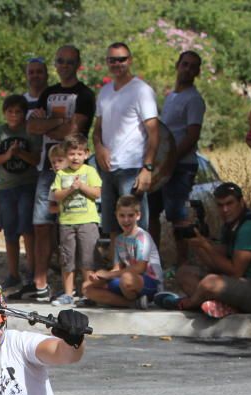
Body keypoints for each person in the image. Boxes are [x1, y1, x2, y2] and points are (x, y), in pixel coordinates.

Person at [27, 45, 96, 303]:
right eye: (60, 61)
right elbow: (33, 126)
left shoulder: (85, 94)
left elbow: (72, 131)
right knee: (42, 225)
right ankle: (41, 283)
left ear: (77, 64)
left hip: (76, 171)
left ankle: (82, 287)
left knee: (77, 228)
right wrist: (58, 123)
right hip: (47, 169)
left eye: (69, 61)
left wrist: (52, 125)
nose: (64, 65)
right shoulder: (49, 93)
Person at [154, 183, 251, 318]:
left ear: (241, 202)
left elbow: (235, 271)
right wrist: (197, 243)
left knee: (210, 282)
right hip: (240, 286)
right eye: (220, 205)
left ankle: (186, 304)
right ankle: (223, 307)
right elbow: (214, 264)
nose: (225, 210)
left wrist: (205, 245)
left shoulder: (250, 227)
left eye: (229, 203)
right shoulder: (229, 226)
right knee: (184, 273)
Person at [94, 42, 159, 251]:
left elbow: (154, 132)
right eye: (112, 60)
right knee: (113, 226)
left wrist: (147, 168)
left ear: (129, 60)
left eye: (121, 59)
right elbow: (97, 129)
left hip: (132, 168)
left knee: (135, 226)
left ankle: (139, 274)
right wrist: (99, 147)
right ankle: (118, 270)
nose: (117, 64)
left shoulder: (141, 90)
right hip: (108, 169)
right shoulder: (104, 92)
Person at [0, 95, 41, 290]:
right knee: (10, 231)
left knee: (27, 230)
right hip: (6, 187)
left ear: (24, 113)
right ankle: (13, 273)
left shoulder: (30, 130)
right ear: (5, 113)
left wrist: (21, 154)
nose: (13, 115)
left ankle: (31, 270)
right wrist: (9, 155)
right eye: (10, 111)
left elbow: (36, 159)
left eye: (18, 111)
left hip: (27, 185)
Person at [160, 49, 206, 267]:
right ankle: (155, 262)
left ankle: (183, 264)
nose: (187, 69)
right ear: (177, 65)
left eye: (192, 66)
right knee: (152, 212)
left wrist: (172, 158)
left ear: (197, 72)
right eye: (184, 64)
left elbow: (192, 134)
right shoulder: (171, 96)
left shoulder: (194, 99)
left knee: (178, 216)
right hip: (164, 165)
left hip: (182, 165)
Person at [82, 195, 162, 308]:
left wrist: (108, 274)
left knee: (126, 279)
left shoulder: (142, 237)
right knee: (87, 287)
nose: (126, 220)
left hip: (149, 282)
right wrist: (100, 276)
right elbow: (117, 268)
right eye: (122, 215)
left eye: (130, 215)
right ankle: (133, 303)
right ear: (116, 216)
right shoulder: (119, 239)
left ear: (138, 215)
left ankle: (123, 299)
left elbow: (140, 268)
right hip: (125, 281)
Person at [50, 133, 101, 306]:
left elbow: (97, 193)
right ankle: (68, 293)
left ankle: (88, 293)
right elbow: (56, 195)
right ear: (66, 155)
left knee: (87, 259)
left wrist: (82, 186)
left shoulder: (90, 171)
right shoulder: (61, 174)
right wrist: (70, 189)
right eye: (72, 154)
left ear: (86, 154)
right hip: (67, 222)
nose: (75, 157)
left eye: (79, 154)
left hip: (87, 221)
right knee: (67, 259)